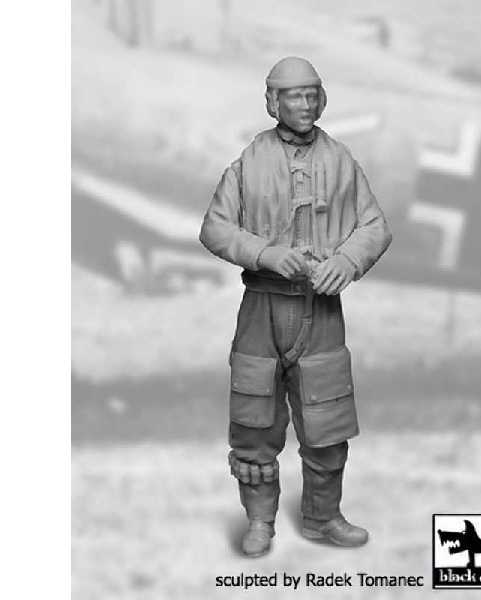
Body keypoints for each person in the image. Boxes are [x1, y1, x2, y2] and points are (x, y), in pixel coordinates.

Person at [199, 56, 392, 557]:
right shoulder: (249, 162)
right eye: (294, 96)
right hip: (262, 309)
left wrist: (346, 261)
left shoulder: (341, 161)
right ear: (273, 102)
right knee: (254, 420)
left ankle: (324, 517)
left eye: (312, 95)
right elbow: (215, 228)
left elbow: (374, 226)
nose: (305, 105)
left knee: (327, 423)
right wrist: (266, 254)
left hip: (320, 310)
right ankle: (260, 520)